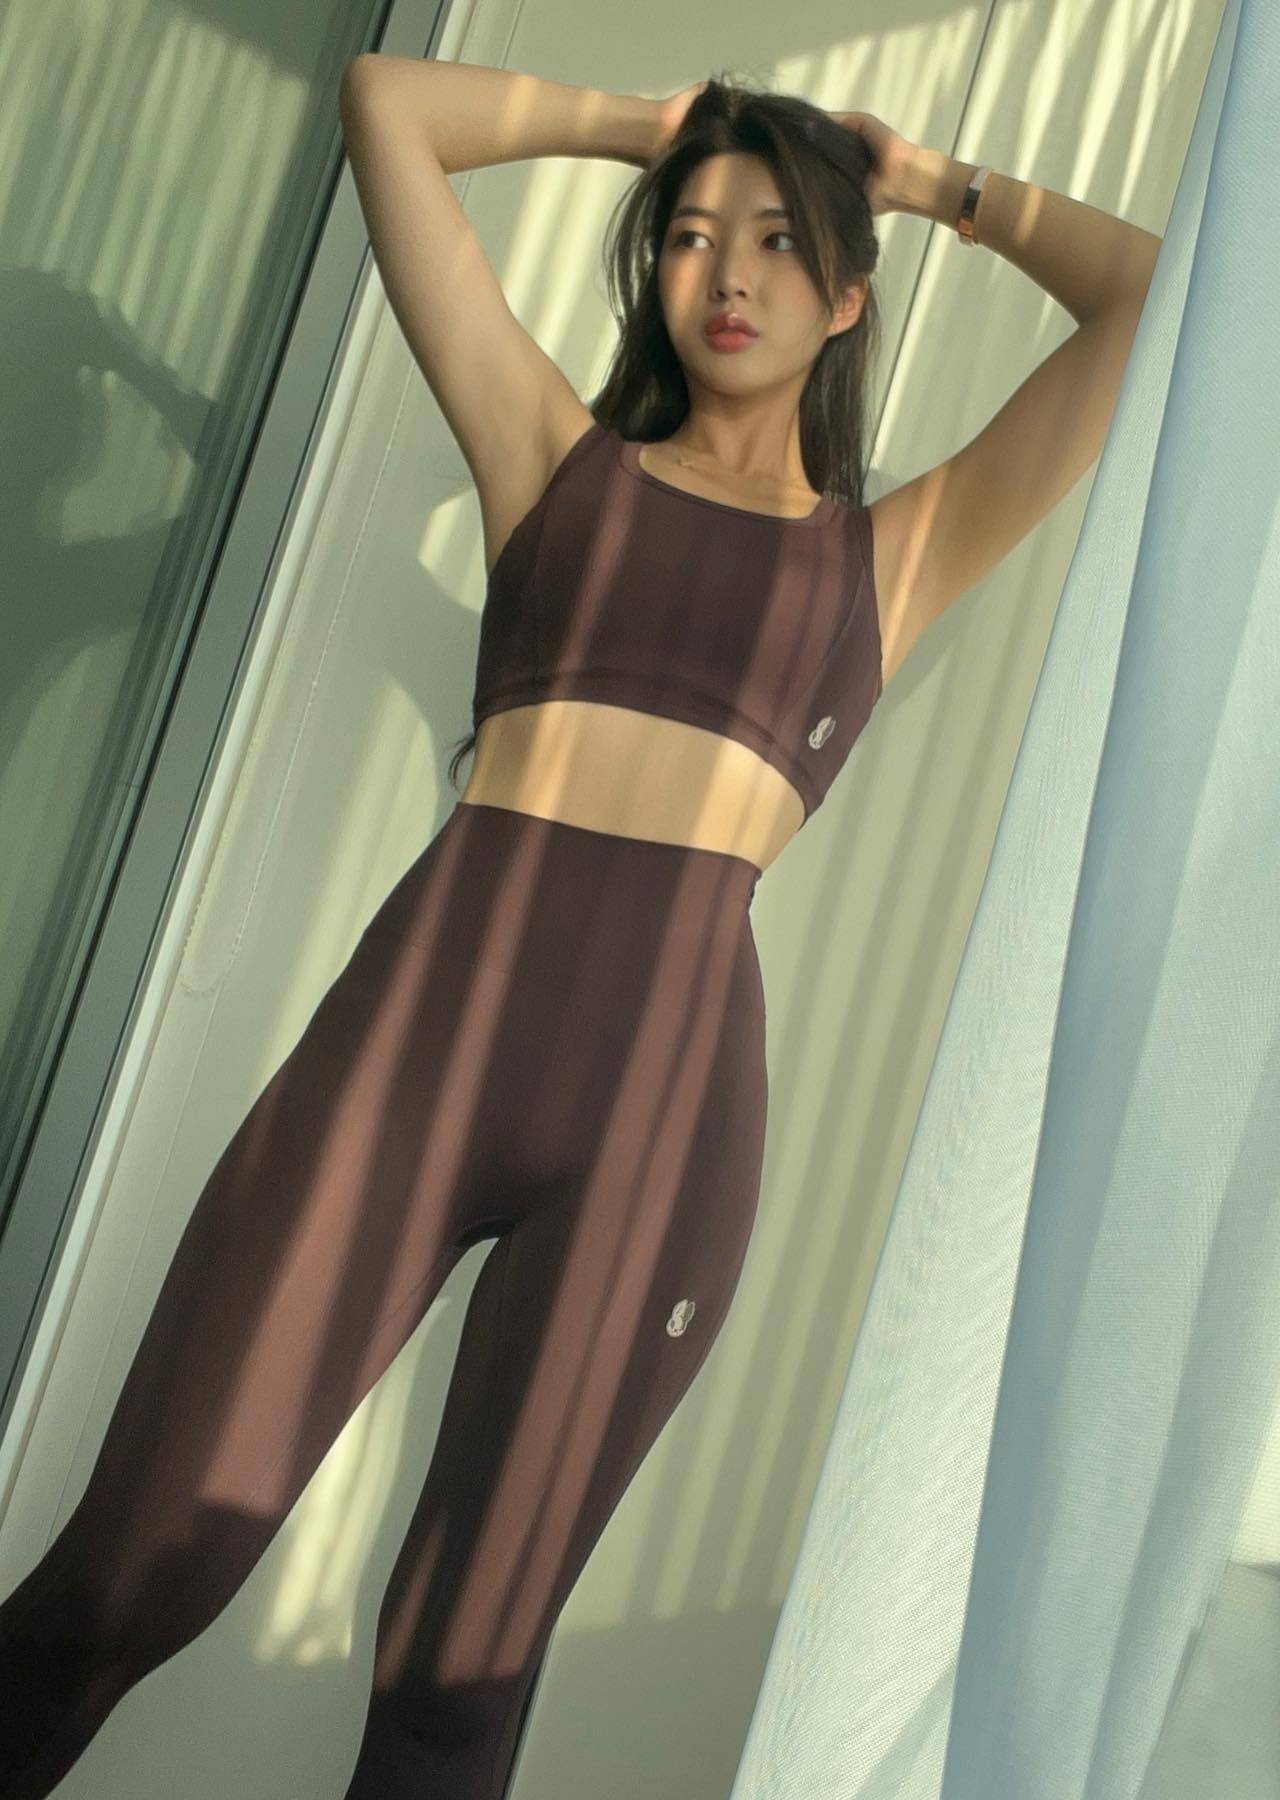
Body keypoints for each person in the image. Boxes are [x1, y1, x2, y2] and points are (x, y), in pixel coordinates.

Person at [0, 64, 889, 1800]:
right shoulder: (551, 458)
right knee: (122, 1578)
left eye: (784, 243)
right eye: (693, 235)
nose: (730, 270)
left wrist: (911, 183)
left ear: (848, 292)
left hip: (661, 1139)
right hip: (412, 1059)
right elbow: (384, 102)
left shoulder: (889, 555)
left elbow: (1146, 295)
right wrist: (657, 134)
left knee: (452, 1698)